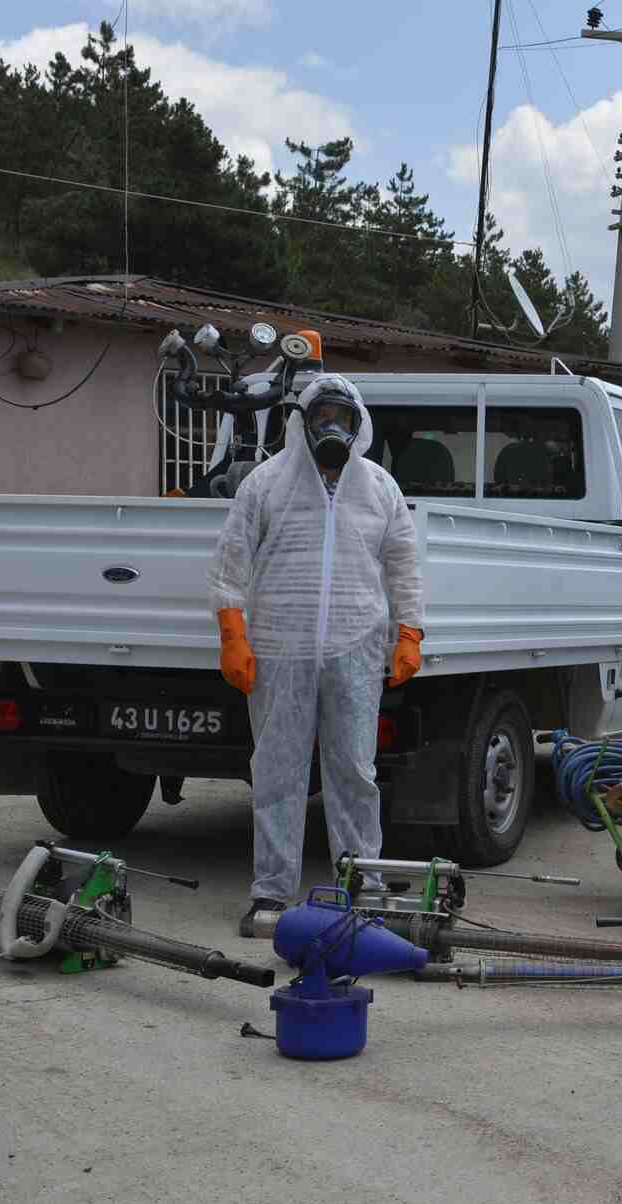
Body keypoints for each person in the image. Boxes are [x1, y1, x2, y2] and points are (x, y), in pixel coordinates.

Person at [208, 374, 423, 938]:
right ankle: (271, 894)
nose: (334, 428)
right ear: (303, 423)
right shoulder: (266, 484)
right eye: (323, 416)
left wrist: (410, 633)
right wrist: (233, 633)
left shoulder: (380, 488)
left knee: (355, 770)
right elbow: (231, 564)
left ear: (358, 426)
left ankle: (363, 887)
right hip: (279, 649)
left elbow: (403, 565)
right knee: (278, 771)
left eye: (343, 419)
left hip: (355, 649)